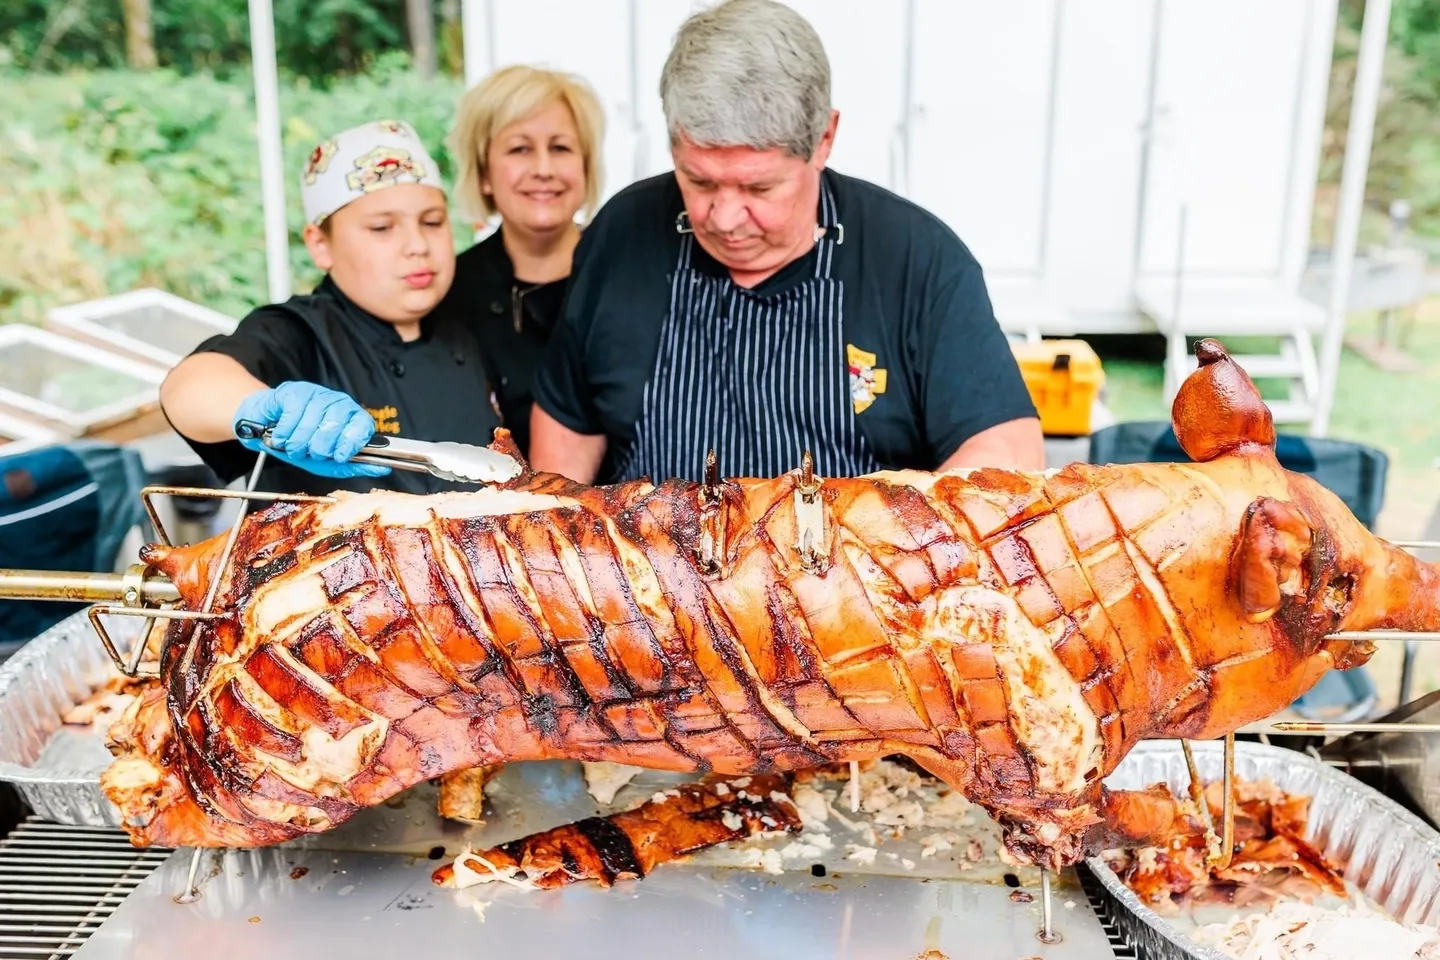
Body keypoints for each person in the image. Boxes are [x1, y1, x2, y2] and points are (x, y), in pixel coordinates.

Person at [529, 0, 1044, 486]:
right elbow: (566, 436)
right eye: (700, 182)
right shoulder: (621, 235)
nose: (725, 218)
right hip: (652, 575)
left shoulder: (918, 259)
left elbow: (1006, 455)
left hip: (859, 579)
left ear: (824, 140)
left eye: (759, 188)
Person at [159, 119, 503, 497]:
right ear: (320, 244)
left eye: (433, 222)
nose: (417, 245)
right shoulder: (298, 330)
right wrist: (259, 406)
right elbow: (189, 387)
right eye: (381, 228)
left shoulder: (473, 320)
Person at [444, 65, 606, 457]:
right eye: (520, 149)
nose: (544, 169)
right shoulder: (448, 292)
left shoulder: (625, 271)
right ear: (483, 173)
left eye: (561, 148)